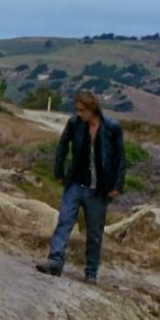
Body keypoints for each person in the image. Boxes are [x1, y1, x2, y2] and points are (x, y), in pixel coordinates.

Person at [36, 91, 126, 284]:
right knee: (64, 221)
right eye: (77, 110)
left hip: (99, 189)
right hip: (76, 183)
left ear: (92, 109)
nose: (78, 113)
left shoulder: (112, 128)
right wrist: (58, 172)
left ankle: (91, 271)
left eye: (81, 110)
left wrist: (117, 185)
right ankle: (55, 261)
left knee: (94, 232)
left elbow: (120, 158)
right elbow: (62, 146)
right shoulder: (75, 124)